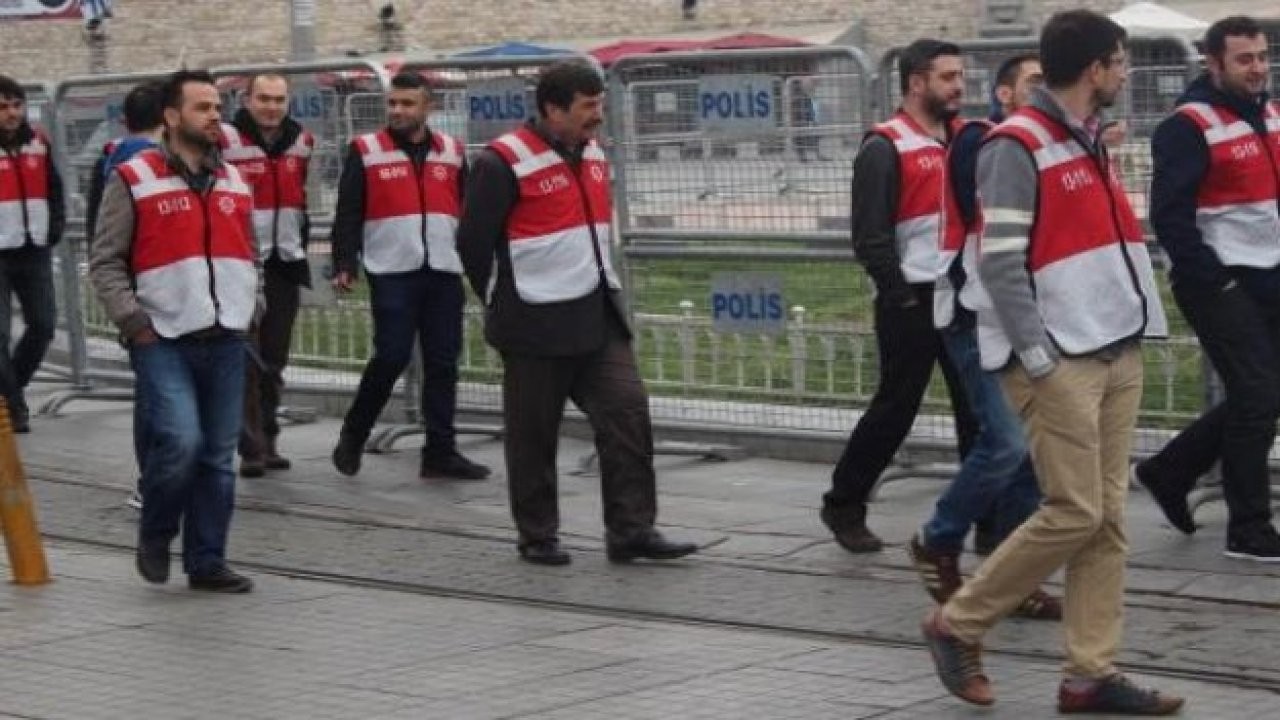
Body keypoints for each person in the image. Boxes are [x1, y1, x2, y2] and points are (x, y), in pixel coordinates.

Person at [920, 11, 1182, 714]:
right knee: (1075, 511)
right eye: (1120, 62)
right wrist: (1037, 355)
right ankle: (958, 622)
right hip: (1060, 357)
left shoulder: (1087, 137)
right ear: (1095, 69)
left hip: (1113, 344)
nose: (1126, 73)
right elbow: (1000, 262)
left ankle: (1089, 674)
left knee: (1107, 519)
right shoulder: (1017, 144)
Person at [457, 61, 698, 567]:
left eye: (599, 104)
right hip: (534, 320)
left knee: (627, 414)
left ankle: (632, 530)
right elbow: (473, 245)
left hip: (596, 311)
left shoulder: (592, 152)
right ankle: (538, 534)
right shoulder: (502, 162)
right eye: (588, 106)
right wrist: (502, 301)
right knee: (533, 434)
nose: (598, 115)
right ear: (553, 109)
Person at [89, 69, 258, 593]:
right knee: (182, 442)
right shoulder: (134, 178)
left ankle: (207, 561)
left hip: (226, 336)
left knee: (218, 458)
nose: (215, 116)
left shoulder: (234, 179)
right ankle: (157, 530)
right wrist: (133, 321)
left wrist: (252, 303)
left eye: (217, 107)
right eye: (202, 107)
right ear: (171, 116)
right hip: (162, 337)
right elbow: (105, 260)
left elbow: (248, 252)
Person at [909, 53, 1060, 621]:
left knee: (1029, 453)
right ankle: (939, 537)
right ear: (1004, 94)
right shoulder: (983, 140)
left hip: (1017, 312)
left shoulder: (1042, 143)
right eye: (1033, 82)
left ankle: (1009, 571)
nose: (1045, 91)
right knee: (1006, 443)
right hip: (973, 310)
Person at [819, 39, 978, 553]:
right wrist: (900, 295)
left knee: (977, 409)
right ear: (916, 83)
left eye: (960, 76)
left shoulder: (964, 138)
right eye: (948, 77)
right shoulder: (885, 146)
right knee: (896, 408)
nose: (959, 86)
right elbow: (870, 235)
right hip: (912, 297)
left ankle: (986, 519)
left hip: (961, 293)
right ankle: (844, 503)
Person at [1135, 16, 1280, 563]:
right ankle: (1248, 527)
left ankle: (1169, 470)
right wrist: (1213, 278)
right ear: (1214, 63)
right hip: (1220, 281)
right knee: (1258, 396)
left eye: (1262, 57)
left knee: (1262, 393)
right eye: (1245, 59)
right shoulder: (1187, 125)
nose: (1258, 68)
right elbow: (1170, 217)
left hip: (1270, 273)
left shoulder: (1268, 114)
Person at [329, 72, 489, 481]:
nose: (397, 111)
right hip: (392, 269)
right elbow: (348, 211)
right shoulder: (366, 149)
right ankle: (354, 432)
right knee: (391, 356)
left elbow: (468, 209)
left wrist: (477, 264)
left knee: (443, 363)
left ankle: (440, 452)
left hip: (443, 269)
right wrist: (345, 262)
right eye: (392, 103)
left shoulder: (452, 151)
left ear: (428, 107)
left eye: (407, 103)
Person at [219, 73, 314, 479]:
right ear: (247, 100)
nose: (272, 107)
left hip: (284, 262)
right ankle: (251, 446)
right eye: (263, 99)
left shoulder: (302, 141)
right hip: (239, 261)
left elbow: (300, 196)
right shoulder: (225, 140)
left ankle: (270, 437)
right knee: (248, 360)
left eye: (279, 99)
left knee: (274, 359)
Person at [83, 80, 165, 512]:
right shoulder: (149, 164)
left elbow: (98, 233)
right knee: (156, 395)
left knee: (154, 393)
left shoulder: (110, 158)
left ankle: (157, 481)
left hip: (139, 295)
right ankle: (153, 483)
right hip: (154, 295)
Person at [0, 74, 65, 434]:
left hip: (34, 247)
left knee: (43, 325)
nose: (12, 113)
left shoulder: (38, 142)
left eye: (16, 105)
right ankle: (14, 407)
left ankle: (9, 390)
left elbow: (54, 188)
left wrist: (55, 226)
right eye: (3, 107)